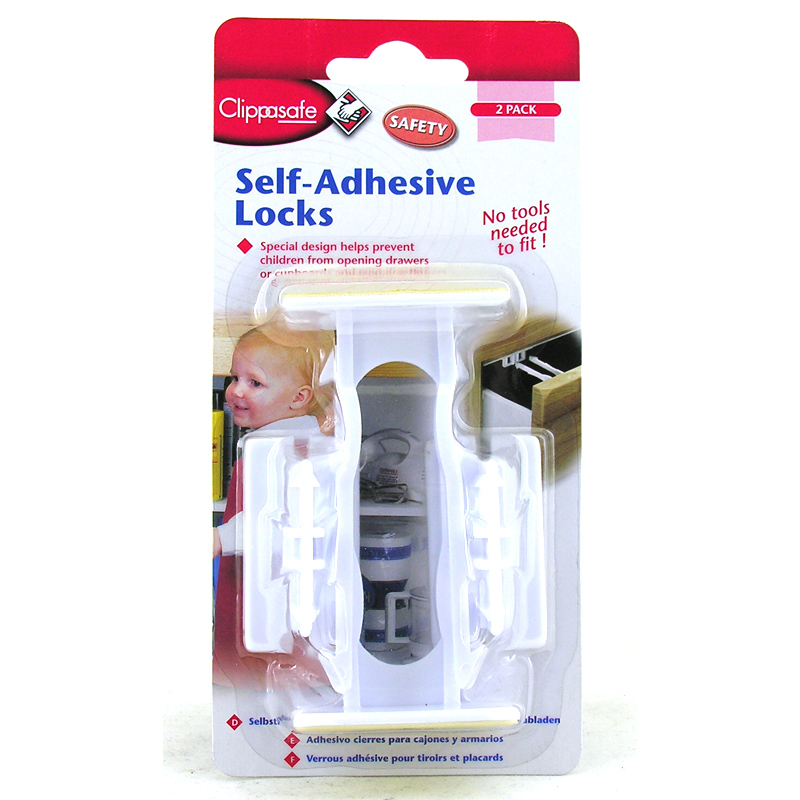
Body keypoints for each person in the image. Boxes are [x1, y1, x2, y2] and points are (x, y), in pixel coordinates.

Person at [212, 317, 335, 692]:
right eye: (234, 377)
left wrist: (220, 538)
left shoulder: (288, 451)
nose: (235, 390)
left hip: (278, 606)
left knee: (260, 664)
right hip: (254, 586)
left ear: (299, 398)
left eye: (255, 382)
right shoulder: (273, 443)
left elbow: (283, 524)